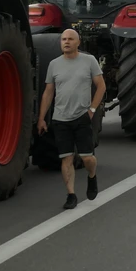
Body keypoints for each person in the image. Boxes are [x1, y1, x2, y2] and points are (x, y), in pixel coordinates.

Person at [37, 28, 106, 209]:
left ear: (78, 42)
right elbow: (48, 92)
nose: (66, 42)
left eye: (70, 39)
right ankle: (71, 195)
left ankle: (92, 177)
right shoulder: (54, 65)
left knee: (87, 158)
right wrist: (42, 118)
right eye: (63, 39)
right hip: (60, 119)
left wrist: (91, 109)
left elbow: (101, 87)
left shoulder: (89, 61)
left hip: (82, 117)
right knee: (66, 158)